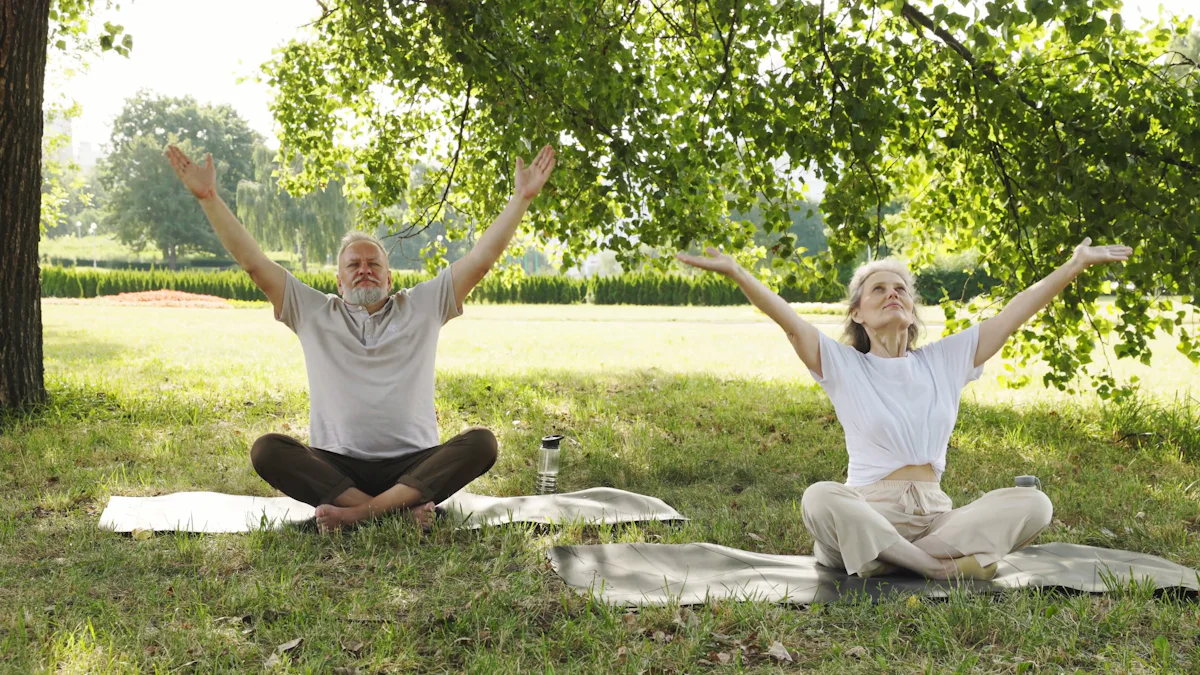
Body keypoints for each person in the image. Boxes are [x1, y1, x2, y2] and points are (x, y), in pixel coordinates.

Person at [677, 240, 1131, 579]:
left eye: (901, 290)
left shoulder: (945, 360)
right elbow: (789, 322)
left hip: (936, 518)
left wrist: (1073, 265)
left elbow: (1014, 314)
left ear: (912, 311)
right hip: (868, 511)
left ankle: (890, 561)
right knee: (819, 497)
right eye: (878, 289)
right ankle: (936, 569)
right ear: (857, 313)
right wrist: (737, 271)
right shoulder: (843, 364)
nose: (892, 294)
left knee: (1034, 503)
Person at [166, 143, 557, 531]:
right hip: (338, 468)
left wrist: (521, 198)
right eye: (353, 265)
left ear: (389, 277)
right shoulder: (314, 312)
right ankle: (394, 512)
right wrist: (209, 197)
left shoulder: (422, 306)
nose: (364, 270)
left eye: (374, 264)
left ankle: (357, 515)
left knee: (482, 443)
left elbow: (481, 260)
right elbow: (254, 263)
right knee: (267, 449)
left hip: (413, 465)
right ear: (339, 281)